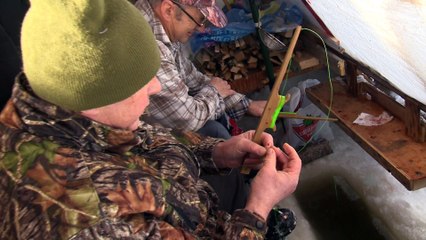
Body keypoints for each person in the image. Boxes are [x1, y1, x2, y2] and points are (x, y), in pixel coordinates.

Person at [0, 0, 302, 239]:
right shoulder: (94, 224)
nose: (155, 87)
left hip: (182, 197)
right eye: (142, 81)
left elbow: (143, 137)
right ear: (97, 97)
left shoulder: (62, 116)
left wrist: (216, 152)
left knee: (227, 164)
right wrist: (257, 212)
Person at [134, 0, 267, 140]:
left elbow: (191, 78)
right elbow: (188, 119)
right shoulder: (151, 50)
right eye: (199, 19)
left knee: (216, 126)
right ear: (168, 10)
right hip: (135, 138)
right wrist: (214, 91)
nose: (201, 28)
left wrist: (247, 105)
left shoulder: (161, 25)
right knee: (216, 133)